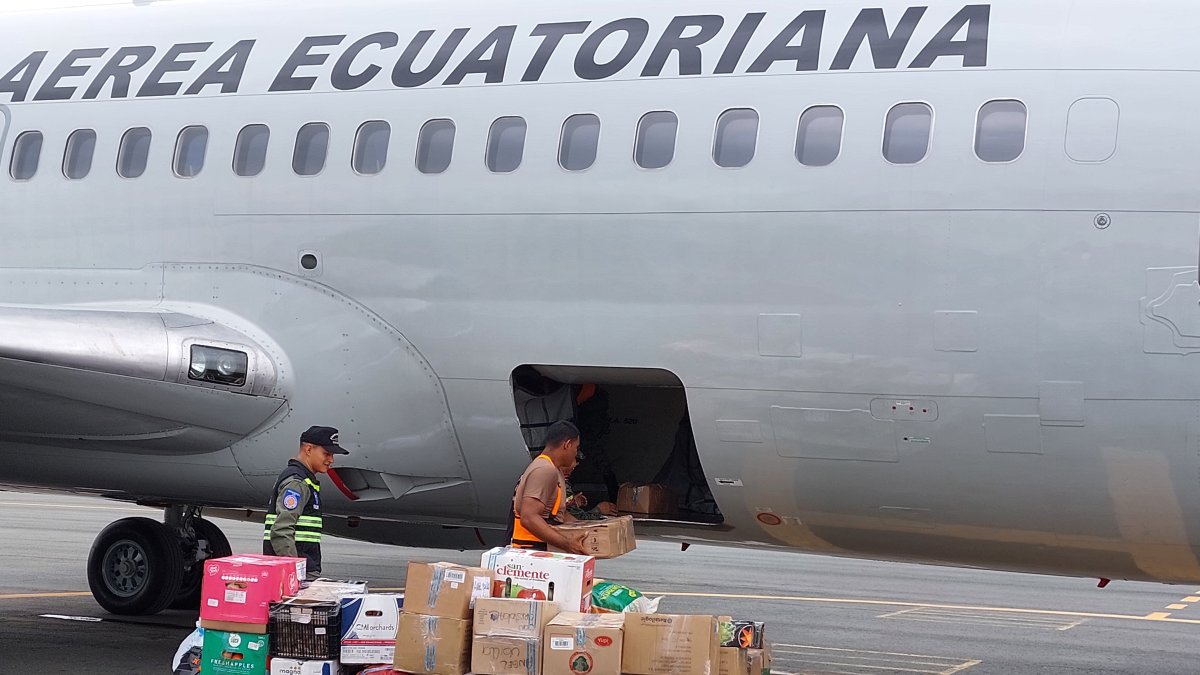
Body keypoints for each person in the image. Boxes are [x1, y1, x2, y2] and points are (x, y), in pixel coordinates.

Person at [263, 425, 348, 579]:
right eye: (326, 454)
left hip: (303, 568)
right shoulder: (297, 483)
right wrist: (293, 571)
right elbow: (281, 530)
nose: (331, 460)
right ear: (308, 449)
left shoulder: (304, 481)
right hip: (300, 572)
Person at [509, 420, 589, 553]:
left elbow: (559, 515)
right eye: (576, 448)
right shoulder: (545, 470)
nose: (576, 453)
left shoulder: (553, 470)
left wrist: (587, 528)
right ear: (567, 445)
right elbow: (529, 517)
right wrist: (567, 544)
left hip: (542, 551)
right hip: (532, 552)